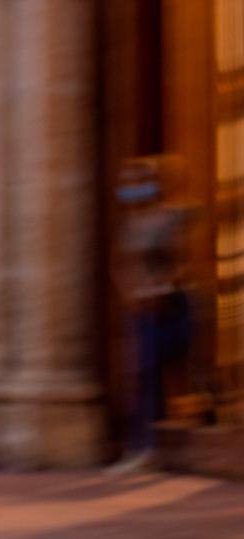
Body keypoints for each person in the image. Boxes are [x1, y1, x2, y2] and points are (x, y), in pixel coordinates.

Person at [110, 156, 197, 475]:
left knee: (177, 371)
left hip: (170, 305)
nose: (132, 189)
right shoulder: (130, 224)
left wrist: (163, 287)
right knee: (143, 376)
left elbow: (183, 260)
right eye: (128, 182)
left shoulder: (169, 219)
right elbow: (120, 263)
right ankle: (145, 449)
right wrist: (130, 293)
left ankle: (166, 447)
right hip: (142, 310)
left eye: (138, 181)